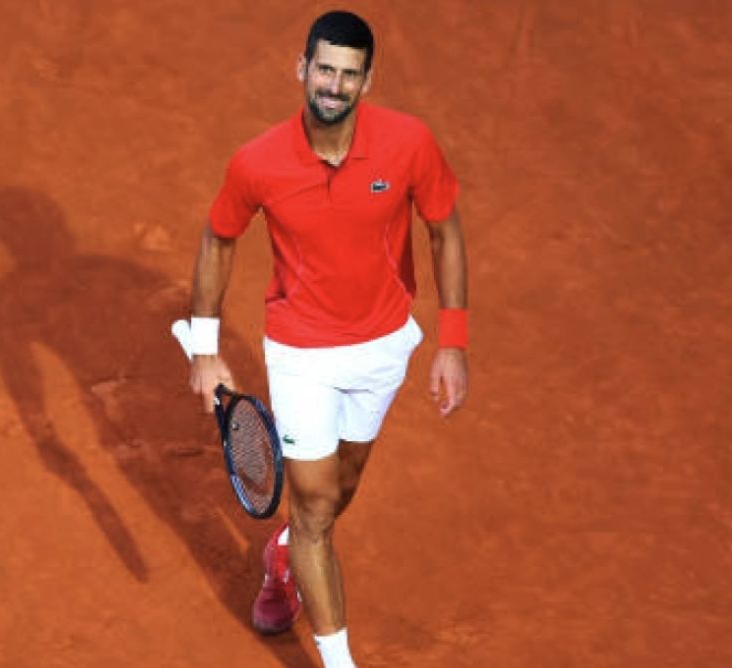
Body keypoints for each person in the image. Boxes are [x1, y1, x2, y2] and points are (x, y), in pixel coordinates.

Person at [185, 10, 468, 668]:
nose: (333, 85)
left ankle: (282, 556)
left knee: (339, 492)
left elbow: (445, 229)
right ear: (302, 69)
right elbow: (218, 237)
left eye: (349, 74)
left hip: (383, 346)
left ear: (367, 81)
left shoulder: (408, 144)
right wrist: (204, 349)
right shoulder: (258, 161)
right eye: (324, 69)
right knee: (314, 506)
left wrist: (451, 340)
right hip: (302, 350)